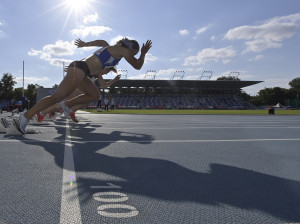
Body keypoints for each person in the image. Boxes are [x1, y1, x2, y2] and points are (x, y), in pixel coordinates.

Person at [18, 37, 152, 134]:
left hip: (83, 72)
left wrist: (85, 44)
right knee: (57, 97)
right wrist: (143, 54)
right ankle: (25, 116)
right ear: (130, 48)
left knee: (95, 95)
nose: (131, 57)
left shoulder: (112, 50)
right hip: (80, 69)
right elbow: (138, 66)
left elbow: (101, 43)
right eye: (133, 54)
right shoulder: (123, 50)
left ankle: (66, 105)